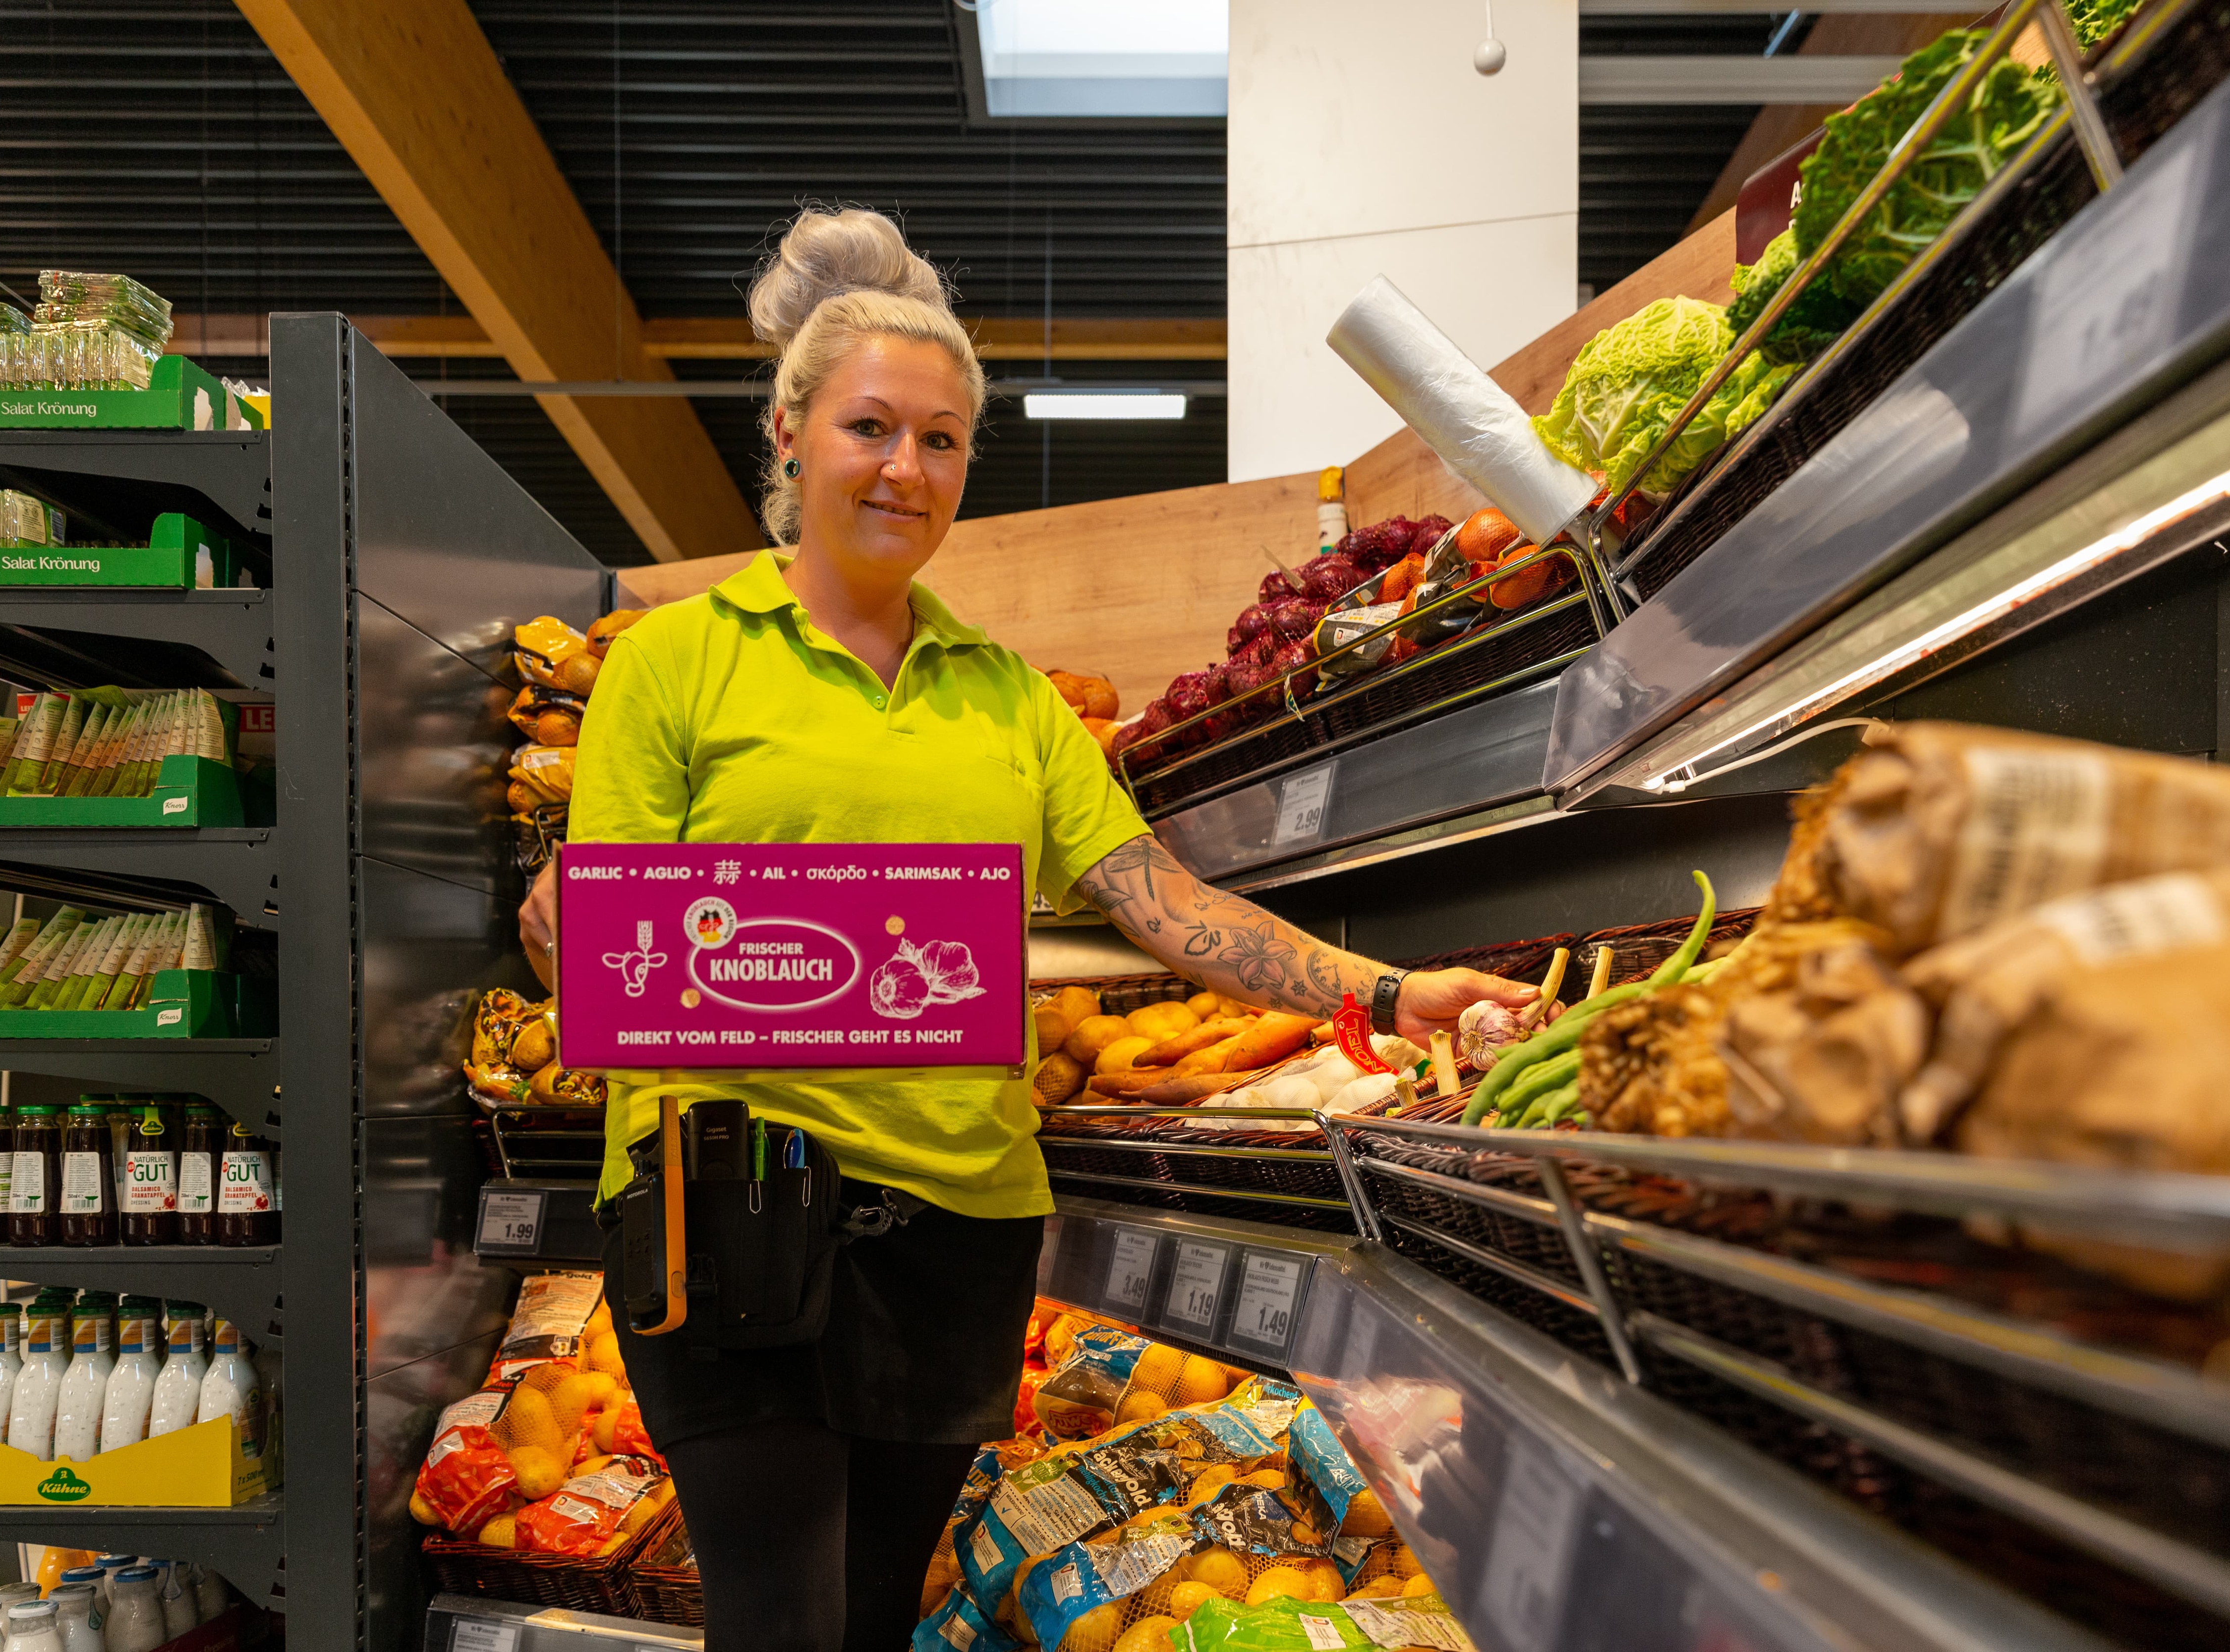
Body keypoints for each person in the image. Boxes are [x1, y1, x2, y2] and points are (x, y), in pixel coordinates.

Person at [515, 207, 1535, 1652]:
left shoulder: (1006, 701)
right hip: (730, 1206)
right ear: (794, 435)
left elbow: (1164, 907)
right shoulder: (678, 663)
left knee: (877, 1612)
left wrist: (1388, 990)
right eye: (872, 427)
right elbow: (616, 945)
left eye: (941, 441)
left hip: (957, 1221)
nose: (906, 467)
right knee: (782, 1618)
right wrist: (581, 935)